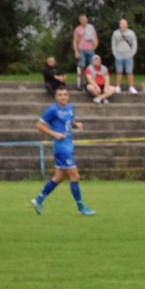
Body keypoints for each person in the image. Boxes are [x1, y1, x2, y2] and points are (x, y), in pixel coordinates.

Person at [31, 85, 96, 216]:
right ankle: (81, 207)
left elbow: (68, 123)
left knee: (59, 177)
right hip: (61, 148)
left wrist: (75, 125)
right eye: (60, 95)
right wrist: (54, 134)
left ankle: (38, 199)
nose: (63, 97)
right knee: (75, 175)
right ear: (56, 97)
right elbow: (38, 125)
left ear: (68, 96)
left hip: (68, 144)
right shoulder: (52, 110)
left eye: (65, 94)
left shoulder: (70, 108)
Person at [111, 18, 139, 95]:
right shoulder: (115, 33)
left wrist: (132, 54)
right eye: (121, 24)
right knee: (118, 72)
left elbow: (134, 44)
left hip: (128, 55)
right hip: (118, 55)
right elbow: (113, 44)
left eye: (124, 24)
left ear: (127, 24)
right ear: (119, 25)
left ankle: (131, 87)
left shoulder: (131, 33)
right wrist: (115, 54)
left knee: (129, 72)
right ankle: (117, 86)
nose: (123, 25)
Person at [73, 14, 98, 91]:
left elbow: (95, 38)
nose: (83, 21)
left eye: (85, 19)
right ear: (79, 21)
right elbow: (75, 41)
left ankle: (90, 83)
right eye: (82, 19)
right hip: (81, 50)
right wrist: (76, 52)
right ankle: (81, 84)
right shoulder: (77, 29)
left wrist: (95, 45)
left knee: (91, 68)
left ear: (87, 20)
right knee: (82, 67)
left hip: (90, 50)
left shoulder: (91, 28)